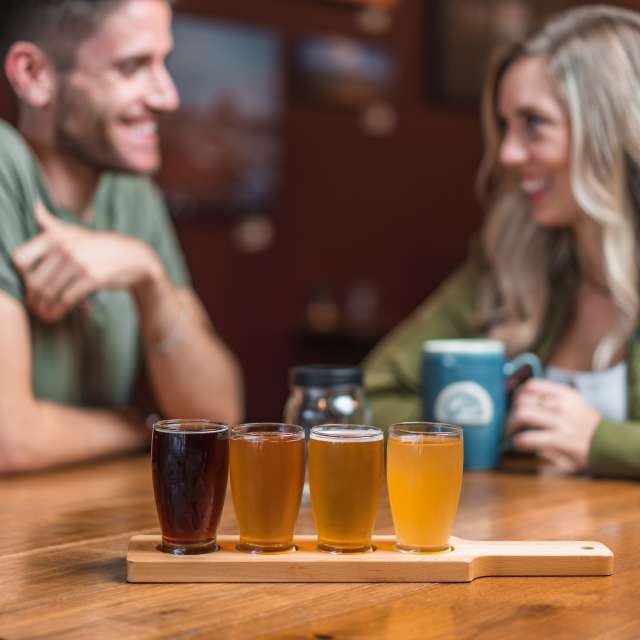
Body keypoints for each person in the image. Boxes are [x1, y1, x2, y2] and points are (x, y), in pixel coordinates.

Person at [364, 5, 640, 479]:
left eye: (534, 122)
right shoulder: (514, 260)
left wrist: (599, 441)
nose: (509, 153)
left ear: (610, 131)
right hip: (534, 542)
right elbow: (370, 396)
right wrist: (481, 420)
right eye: (506, 126)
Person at [0, 0, 244, 474]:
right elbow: (9, 438)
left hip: (74, 524)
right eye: (133, 66)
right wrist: (141, 425)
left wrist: (148, 275)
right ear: (33, 74)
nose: (168, 97)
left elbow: (220, 415)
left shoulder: (132, 193)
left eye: (163, 63)